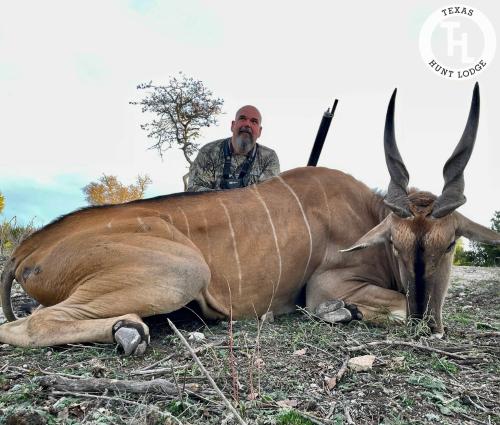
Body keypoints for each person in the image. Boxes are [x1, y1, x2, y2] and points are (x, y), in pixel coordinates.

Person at [186, 105, 280, 192]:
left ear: (259, 131)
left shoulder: (269, 157)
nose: (247, 124)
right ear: (232, 125)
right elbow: (194, 190)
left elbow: (267, 195)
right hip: (213, 209)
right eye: (242, 118)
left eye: (254, 121)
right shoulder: (208, 151)